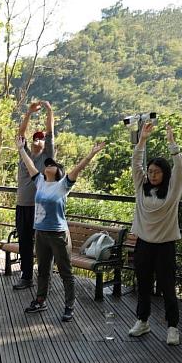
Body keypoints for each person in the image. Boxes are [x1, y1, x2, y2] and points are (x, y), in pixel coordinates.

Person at [17, 137, 105, 322]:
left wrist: (92, 153)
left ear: (59, 171)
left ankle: (69, 305)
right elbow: (28, 162)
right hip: (40, 233)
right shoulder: (39, 181)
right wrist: (21, 148)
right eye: (47, 164)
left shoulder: (63, 185)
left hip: (58, 234)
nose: (48, 165)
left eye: (53, 165)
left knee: (65, 271)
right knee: (42, 270)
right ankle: (41, 300)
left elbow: (79, 168)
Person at [127, 121, 182, 346]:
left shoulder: (172, 191)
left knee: (168, 288)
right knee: (142, 285)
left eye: (157, 172)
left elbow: (180, 168)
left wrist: (172, 144)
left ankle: (173, 327)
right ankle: (143, 321)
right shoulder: (140, 186)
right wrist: (142, 140)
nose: (152, 175)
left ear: (165, 174)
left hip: (165, 246)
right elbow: (135, 162)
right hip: (143, 244)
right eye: (150, 171)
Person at [13, 101, 56, 289]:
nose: (37, 140)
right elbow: (20, 135)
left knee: (42, 245)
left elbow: (50, 131)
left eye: (41, 138)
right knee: (24, 243)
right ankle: (27, 276)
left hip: (40, 208)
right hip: (22, 206)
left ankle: (45, 278)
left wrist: (49, 110)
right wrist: (28, 113)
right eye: (35, 138)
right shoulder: (25, 155)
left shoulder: (47, 157)